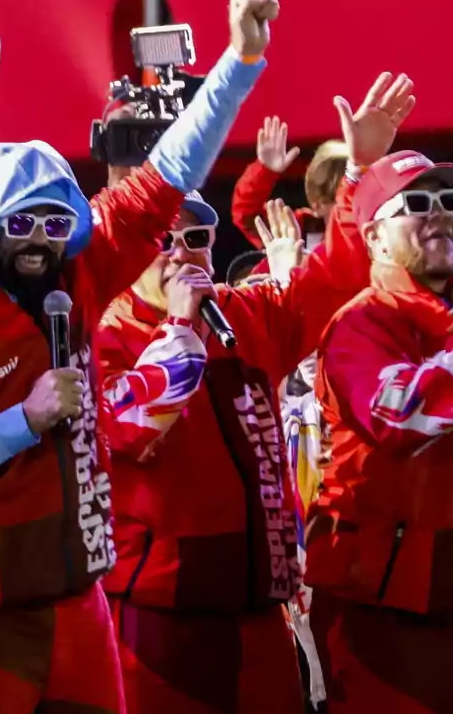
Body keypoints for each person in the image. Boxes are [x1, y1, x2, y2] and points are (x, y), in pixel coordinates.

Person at [0, 0, 278, 714]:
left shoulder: (77, 277)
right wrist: (22, 420)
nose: (40, 240)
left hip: (79, 594)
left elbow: (166, 177)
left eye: (57, 220)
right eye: (21, 222)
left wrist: (239, 65)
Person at [96, 71, 414, 713]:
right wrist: (180, 325)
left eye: (197, 238)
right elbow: (130, 430)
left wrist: (359, 173)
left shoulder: (243, 315)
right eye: (166, 240)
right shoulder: (104, 332)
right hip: (159, 622)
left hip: (261, 611)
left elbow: (334, 279)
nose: (183, 252)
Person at [307, 147, 453, 714]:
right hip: (381, 612)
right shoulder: (358, 324)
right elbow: (399, 414)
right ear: (373, 238)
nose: (438, 213)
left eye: (448, 200)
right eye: (416, 203)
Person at [232, 115, 349, 250]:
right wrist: (265, 171)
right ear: (317, 204)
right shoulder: (296, 232)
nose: (352, 205)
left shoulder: (376, 232)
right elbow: (248, 216)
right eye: (341, 197)